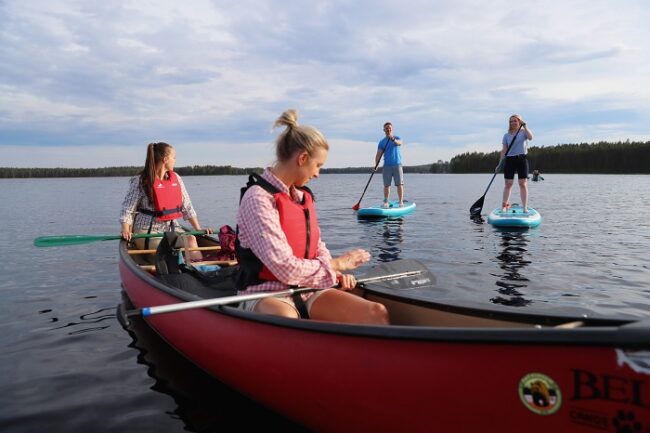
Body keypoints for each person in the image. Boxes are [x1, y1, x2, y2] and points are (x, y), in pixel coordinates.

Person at [236, 109, 389, 325]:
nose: (317, 173)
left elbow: (317, 246)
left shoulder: (302, 196)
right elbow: (284, 268)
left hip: (308, 287)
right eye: (318, 165)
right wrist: (336, 266)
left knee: (376, 312)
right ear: (302, 158)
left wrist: (332, 273)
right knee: (287, 319)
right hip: (265, 293)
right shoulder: (258, 198)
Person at [119, 142, 212, 259]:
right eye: (174, 157)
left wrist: (198, 229)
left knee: (191, 240)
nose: (175, 160)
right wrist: (126, 230)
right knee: (164, 251)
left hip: (171, 228)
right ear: (165, 159)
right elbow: (127, 209)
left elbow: (187, 207)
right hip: (147, 231)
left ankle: (200, 270)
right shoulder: (141, 180)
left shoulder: (176, 178)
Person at [497, 115, 534, 213]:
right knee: (508, 184)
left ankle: (525, 207)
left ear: (519, 122)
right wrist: (499, 164)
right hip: (510, 159)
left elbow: (530, 137)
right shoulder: (506, 135)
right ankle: (504, 206)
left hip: (521, 159)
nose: (513, 123)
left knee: (523, 183)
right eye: (511, 121)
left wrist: (525, 126)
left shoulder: (523, 132)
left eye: (515, 121)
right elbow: (504, 150)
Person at [375, 122, 405, 207]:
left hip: (397, 165)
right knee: (386, 185)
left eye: (389, 128)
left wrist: (393, 140)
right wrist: (376, 165)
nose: (388, 130)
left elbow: (400, 143)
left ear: (392, 129)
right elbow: (378, 154)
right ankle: (386, 202)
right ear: (384, 130)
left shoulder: (397, 137)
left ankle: (400, 202)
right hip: (387, 166)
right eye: (386, 128)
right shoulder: (382, 142)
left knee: (399, 184)